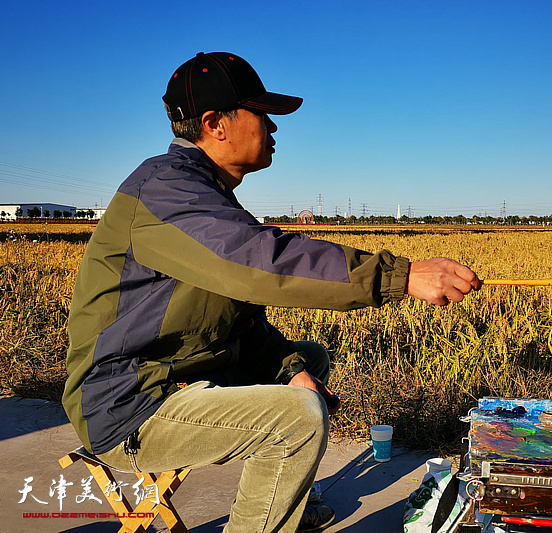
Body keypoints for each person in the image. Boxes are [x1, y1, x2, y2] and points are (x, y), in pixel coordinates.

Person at [62, 51, 481, 533]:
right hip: (131, 401)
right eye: (262, 114)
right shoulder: (167, 192)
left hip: (184, 373)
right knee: (297, 417)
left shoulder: (206, 194)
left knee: (308, 360)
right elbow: (259, 259)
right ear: (215, 123)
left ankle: (290, 508)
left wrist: (291, 370)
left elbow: (242, 319)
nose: (274, 129)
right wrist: (399, 276)